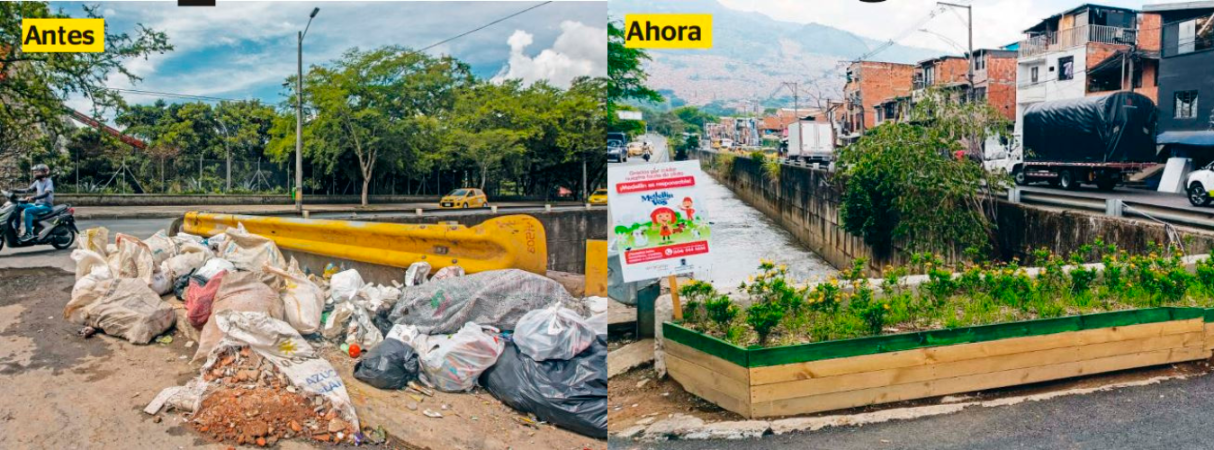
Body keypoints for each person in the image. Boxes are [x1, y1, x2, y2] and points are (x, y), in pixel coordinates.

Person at [13, 164, 54, 241]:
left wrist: (33, 197)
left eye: (37, 172)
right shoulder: (37, 181)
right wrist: (15, 190)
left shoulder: (49, 181)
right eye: (34, 172)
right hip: (38, 204)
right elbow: (28, 190)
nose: (34, 174)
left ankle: (29, 234)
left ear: (44, 172)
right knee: (18, 206)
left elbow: (46, 194)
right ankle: (16, 229)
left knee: (28, 211)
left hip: (46, 206)